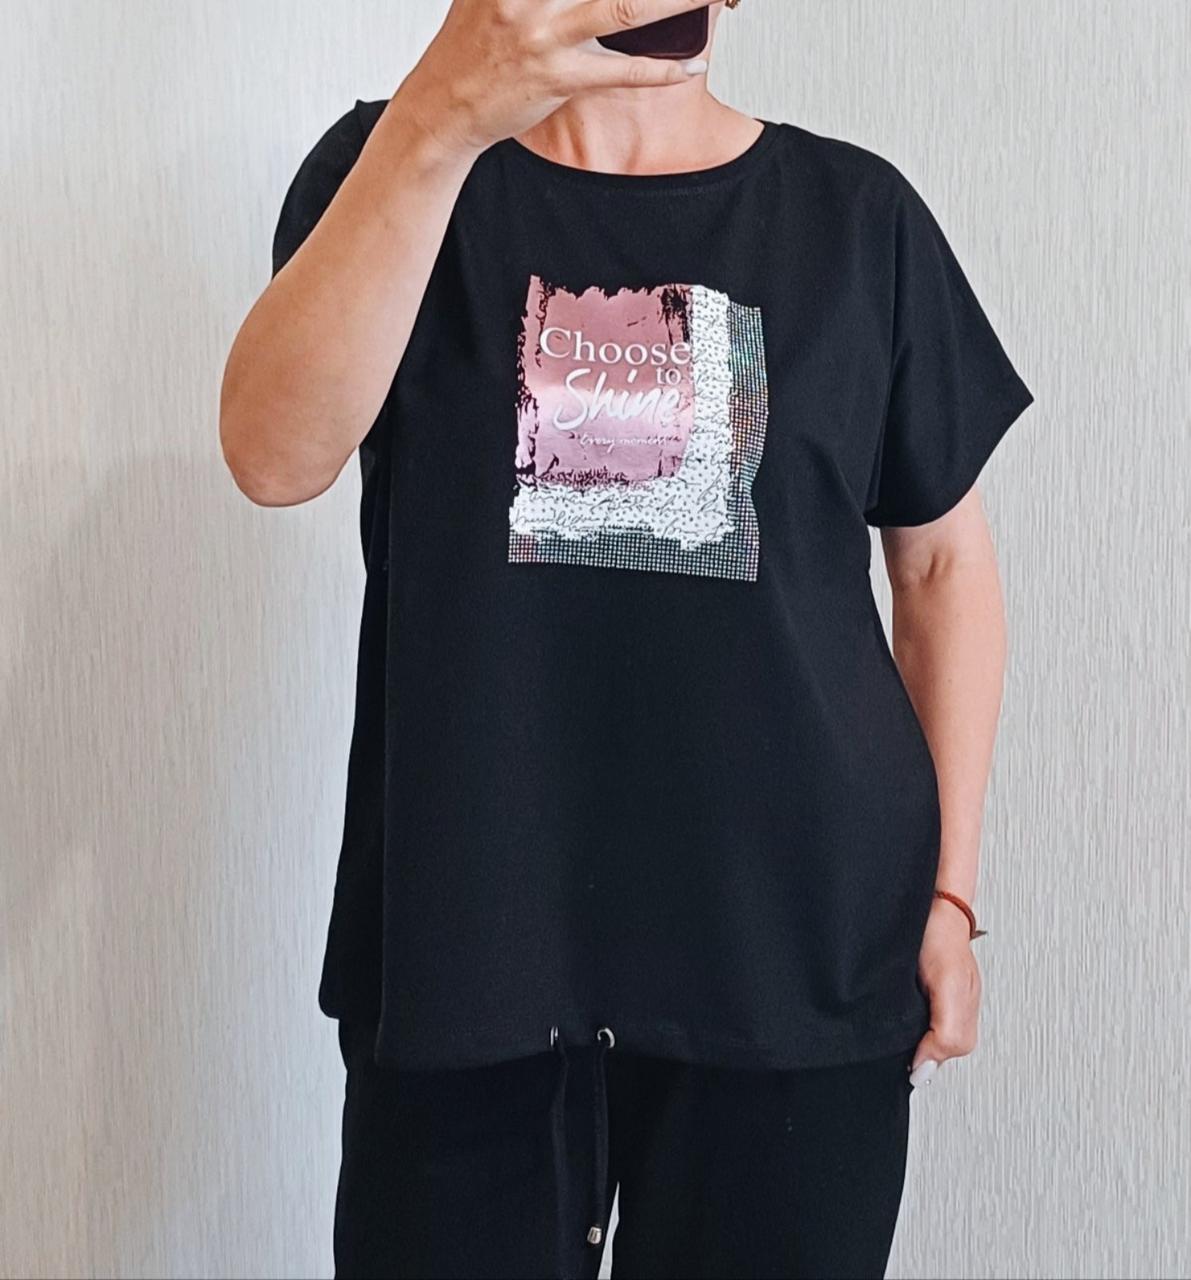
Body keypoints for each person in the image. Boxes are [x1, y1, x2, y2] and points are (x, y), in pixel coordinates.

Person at [219, 1, 1033, 1276]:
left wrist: (950, 894)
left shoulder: (855, 218)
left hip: (797, 953)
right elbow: (273, 458)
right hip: (467, 948)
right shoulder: (395, 169)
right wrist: (442, 113)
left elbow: (943, 565)